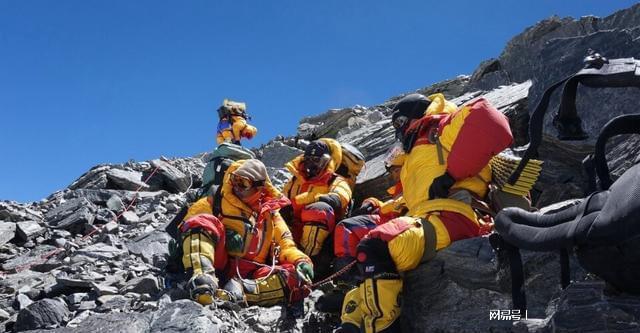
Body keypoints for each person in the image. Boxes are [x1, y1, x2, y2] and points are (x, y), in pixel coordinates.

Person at [337, 93, 505, 332]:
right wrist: (378, 205)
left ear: (412, 118)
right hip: (430, 219)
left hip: (452, 217)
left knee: (374, 246)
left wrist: (451, 175)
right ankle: (350, 326)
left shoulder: (441, 128)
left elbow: (489, 118)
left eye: (400, 124)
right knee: (360, 288)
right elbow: (410, 198)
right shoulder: (417, 156)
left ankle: (384, 328)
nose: (399, 132)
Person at [178, 159, 314, 309]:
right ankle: (201, 282)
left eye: (244, 183)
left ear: (259, 187)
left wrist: (301, 261)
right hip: (218, 263)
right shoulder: (216, 200)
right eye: (234, 179)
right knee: (203, 222)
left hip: (250, 274)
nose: (237, 186)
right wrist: (224, 234)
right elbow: (188, 225)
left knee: (299, 279)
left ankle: (236, 294)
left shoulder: (272, 214)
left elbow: (286, 244)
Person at [316, 147, 407, 312]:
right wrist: (371, 202)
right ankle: (350, 281)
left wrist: (382, 207)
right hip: (394, 219)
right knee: (346, 228)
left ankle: (347, 283)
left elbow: (402, 204)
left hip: (401, 222)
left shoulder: (413, 180)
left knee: (346, 228)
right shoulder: (405, 183)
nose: (392, 174)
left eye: (395, 169)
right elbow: (391, 203)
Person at [281, 139, 352, 265]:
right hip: (293, 227)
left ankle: (309, 260)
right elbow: (281, 199)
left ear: (327, 161)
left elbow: (339, 198)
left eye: (317, 160)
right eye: (308, 160)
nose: (311, 165)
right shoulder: (294, 180)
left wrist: (302, 201)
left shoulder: (335, 180)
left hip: (323, 235)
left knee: (319, 209)